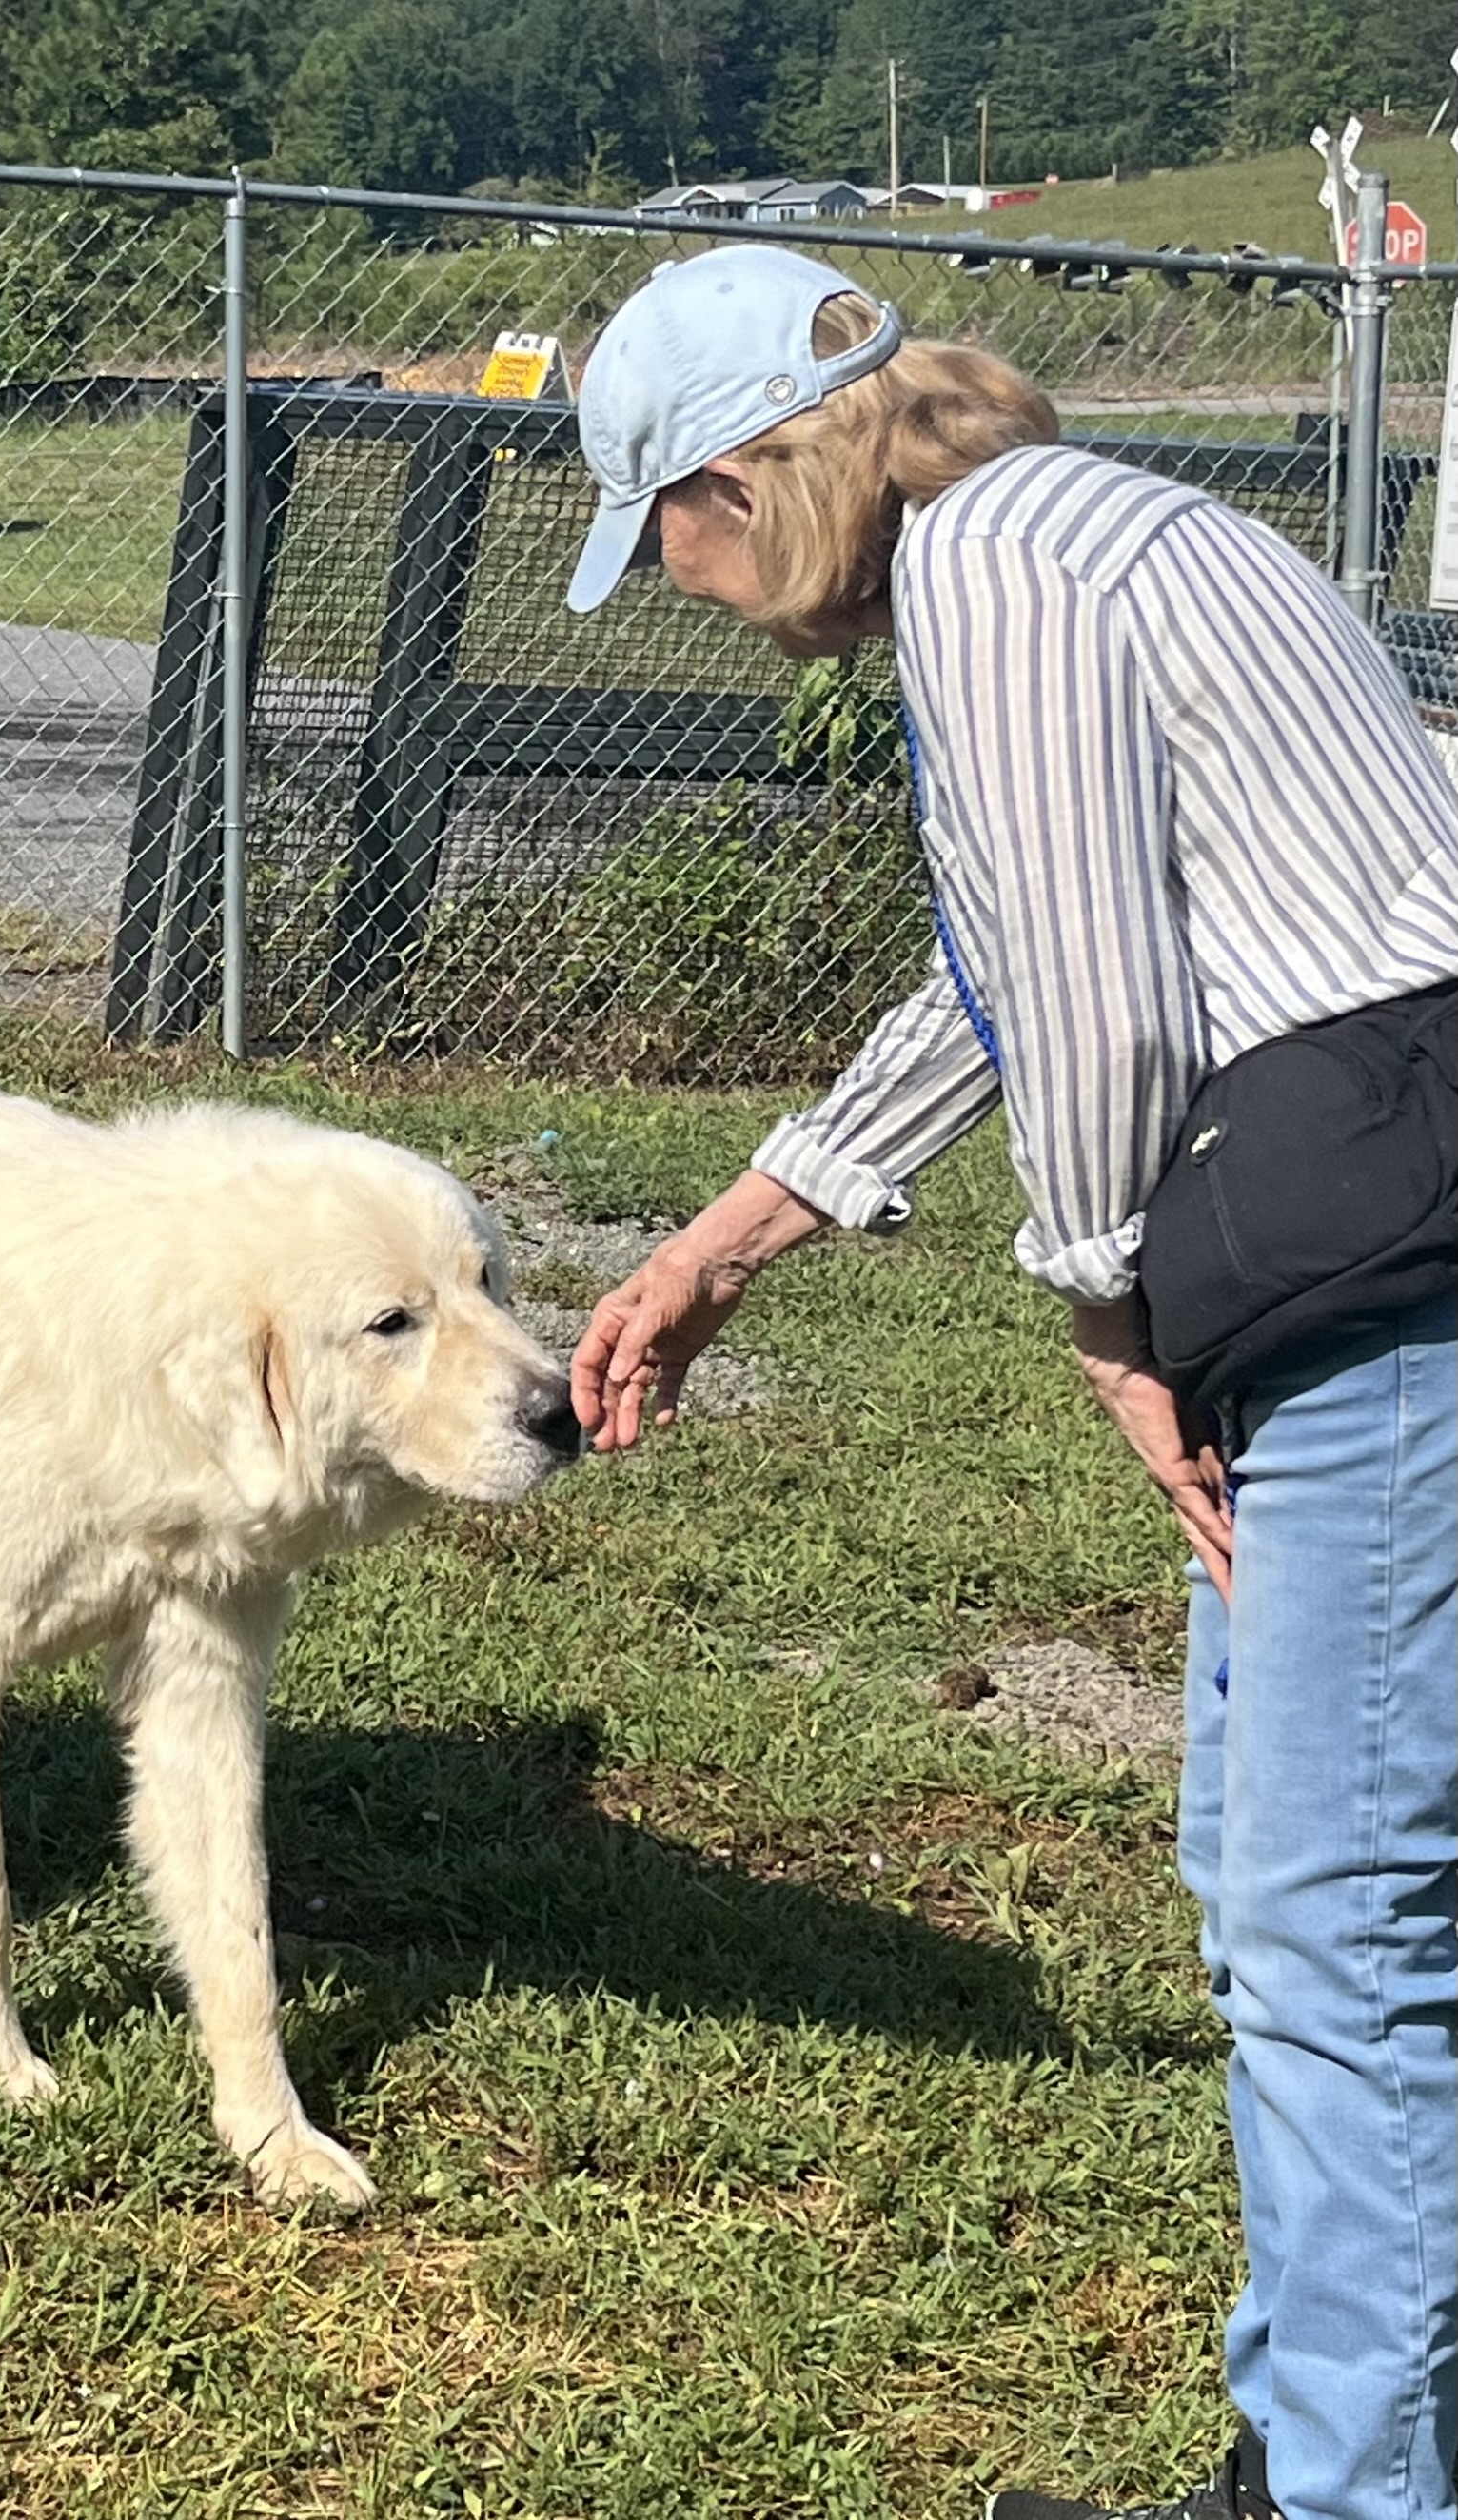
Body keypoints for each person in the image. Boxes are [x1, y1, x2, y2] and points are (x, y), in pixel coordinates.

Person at [561, 243, 1457, 2520]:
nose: (682, 589)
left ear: (747, 476)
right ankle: (1309, 2451)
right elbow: (1005, 970)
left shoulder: (992, 567)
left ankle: (1365, 2487)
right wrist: (728, 1239)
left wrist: (1101, 1310)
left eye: (660, 532)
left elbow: (1089, 999)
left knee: (1341, 1933)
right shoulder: (1090, 529)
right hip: (1368, 1223)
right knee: (1279, 1895)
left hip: (1377, 1264)